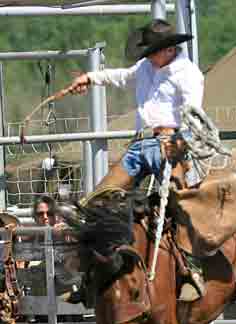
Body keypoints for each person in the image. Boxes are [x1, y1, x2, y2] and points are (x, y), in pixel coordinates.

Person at [65, 18, 206, 301]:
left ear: (168, 49)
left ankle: (192, 270)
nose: (149, 56)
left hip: (169, 143)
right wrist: (90, 78)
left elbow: (195, 116)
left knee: (183, 206)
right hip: (140, 144)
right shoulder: (145, 67)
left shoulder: (188, 74)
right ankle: (89, 273)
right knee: (99, 201)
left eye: (154, 50)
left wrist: (181, 142)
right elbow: (121, 76)